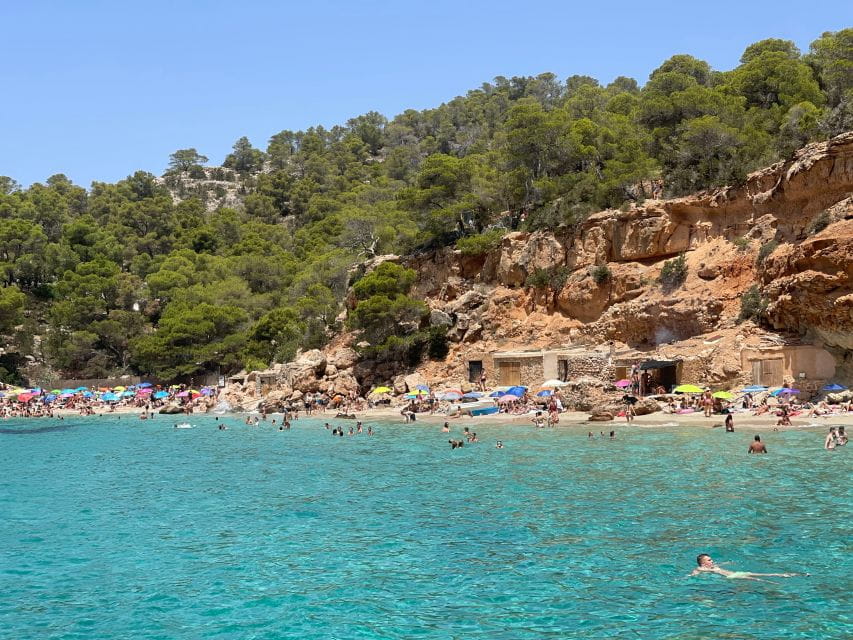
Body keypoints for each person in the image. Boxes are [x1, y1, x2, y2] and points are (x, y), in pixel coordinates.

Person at [689, 554, 799, 581]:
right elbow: (693, 574)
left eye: (711, 559)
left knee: (755, 573)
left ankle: (782, 575)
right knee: (757, 579)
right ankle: (775, 583)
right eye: (709, 560)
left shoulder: (713, 566)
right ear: (702, 563)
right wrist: (687, 577)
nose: (712, 561)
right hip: (733, 577)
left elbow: (720, 565)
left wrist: (727, 563)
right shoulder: (701, 569)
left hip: (736, 573)